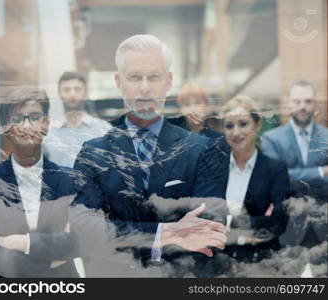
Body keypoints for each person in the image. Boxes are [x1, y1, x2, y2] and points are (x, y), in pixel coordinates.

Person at [70, 34, 228, 277]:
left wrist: (120, 233)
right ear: (118, 81)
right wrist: (166, 233)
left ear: (168, 81)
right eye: (135, 77)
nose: (144, 87)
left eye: (153, 76)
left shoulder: (202, 150)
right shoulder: (93, 153)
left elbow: (211, 231)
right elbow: (84, 231)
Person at [0, 86, 80, 277]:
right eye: (17, 119)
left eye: (35, 117)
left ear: (46, 124)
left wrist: (20, 243)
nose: (27, 126)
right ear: (5, 126)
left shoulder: (71, 180)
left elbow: (77, 242)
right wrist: (49, 258)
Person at [213, 95, 289, 266]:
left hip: (260, 262)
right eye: (229, 126)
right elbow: (207, 219)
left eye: (243, 124)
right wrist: (256, 221)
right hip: (219, 263)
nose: (236, 132)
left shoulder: (275, 169)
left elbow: (278, 222)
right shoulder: (215, 169)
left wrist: (229, 219)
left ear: (257, 124)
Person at [261, 80, 328, 248]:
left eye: (308, 101)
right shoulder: (271, 139)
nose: (302, 106)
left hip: (324, 225)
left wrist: (292, 174)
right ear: (287, 103)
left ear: (315, 104)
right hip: (287, 227)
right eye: (297, 101)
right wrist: (321, 172)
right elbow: (276, 179)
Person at [43, 71, 111, 167]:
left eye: (77, 89)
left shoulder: (104, 129)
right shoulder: (48, 132)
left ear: (85, 92)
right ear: (59, 93)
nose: (72, 94)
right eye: (66, 89)